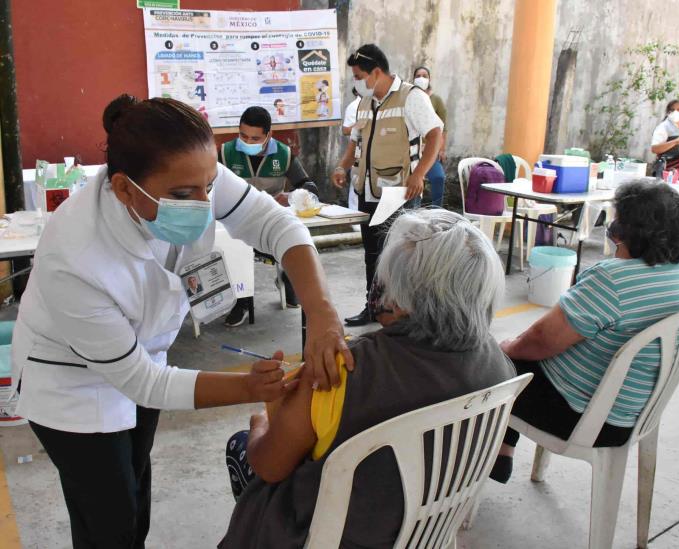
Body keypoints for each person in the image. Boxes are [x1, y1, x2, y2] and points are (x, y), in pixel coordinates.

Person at [11, 95, 354, 549]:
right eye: (183, 195)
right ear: (124, 188)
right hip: (69, 383)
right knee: (108, 518)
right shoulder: (73, 256)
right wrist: (248, 388)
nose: (203, 202)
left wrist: (324, 313)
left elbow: (279, 225)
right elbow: (143, 382)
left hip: (143, 351)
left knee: (135, 495)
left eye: (209, 187)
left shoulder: (191, 171)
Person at [218, 209, 515, 548]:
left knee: (242, 444)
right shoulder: (499, 365)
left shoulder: (337, 370)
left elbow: (269, 465)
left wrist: (262, 421)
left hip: (326, 538)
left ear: (402, 296)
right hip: (422, 532)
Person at [491, 182, 679, 482]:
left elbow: (541, 341)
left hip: (584, 417)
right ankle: (503, 450)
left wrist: (504, 350)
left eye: (617, 221)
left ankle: (479, 461)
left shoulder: (613, 279)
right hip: (633, 415)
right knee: (517, 356)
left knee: (497, 362)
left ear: (629, 230)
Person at [331, 44, 444, 326]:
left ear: (376, 72)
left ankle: (405, 314)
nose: (356, 82)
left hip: (399, 193)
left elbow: (435, 136)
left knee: (399, 257)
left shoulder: (411, 98)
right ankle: (373, 307)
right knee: (372, 255)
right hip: (368, 191)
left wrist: (418, 174)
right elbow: (354, 143)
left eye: (358, 75)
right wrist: (341, 167)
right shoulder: (363, 104)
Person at [221, 106, 319, 321]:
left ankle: (288, 278)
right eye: (243, 136)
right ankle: (242, 300)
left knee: (294, 237)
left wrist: (291, 195)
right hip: (235, 222)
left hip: (270, 222)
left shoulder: (283, 154)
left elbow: (310, 187)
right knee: (232, 245)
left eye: (255, 138)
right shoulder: (225, 153)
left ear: (268, 135)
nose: (247, 142)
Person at [413, 66, 448, 207]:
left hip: (430, 150)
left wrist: (441, 149)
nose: (421, 78)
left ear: (429, 79)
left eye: (425, 75)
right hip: (412, 151)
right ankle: (411, 211)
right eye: (418, 75)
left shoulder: (436, 100)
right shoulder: (409, 98)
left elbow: (443, 129)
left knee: (438, 177)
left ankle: (436, 211)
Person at [650, 99, 679, 181]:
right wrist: (675, 142)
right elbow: (654, 149)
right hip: (666, 170)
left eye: (678, 110)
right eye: (672, 110)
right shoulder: (663, 127)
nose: (675, 112)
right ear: (668, 112)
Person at [341, 87, 361, 210]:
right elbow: (346, 130)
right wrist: (363, 122)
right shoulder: (354, 106)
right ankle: (355, 224)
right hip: (357, 152)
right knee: (355, 191)